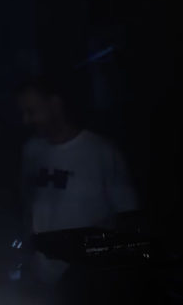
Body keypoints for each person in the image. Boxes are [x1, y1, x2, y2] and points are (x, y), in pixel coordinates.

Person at [16, 76, 139, 284]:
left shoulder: (102, 152)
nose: (26, 121)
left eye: (32, 112)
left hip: (90, 279)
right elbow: (27, 207)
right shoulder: (31, 150)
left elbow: (128, 216)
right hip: (41, 278)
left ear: (55, 104)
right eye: (23, 113)